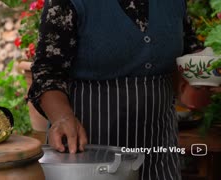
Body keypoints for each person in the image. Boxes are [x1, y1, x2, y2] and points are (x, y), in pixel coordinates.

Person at [27, 0, 209, 179]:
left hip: (158, 153)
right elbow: (47, 71)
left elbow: (190, 55)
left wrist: (202, 80)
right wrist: (62, 117)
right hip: (88, 157)